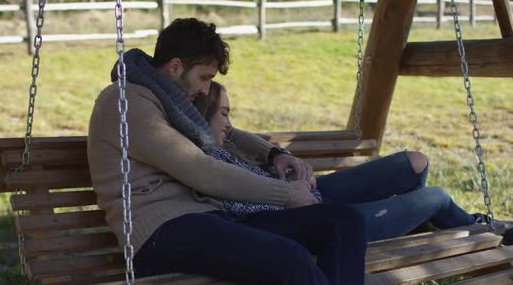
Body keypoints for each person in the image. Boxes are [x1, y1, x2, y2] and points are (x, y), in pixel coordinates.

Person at [88, 18, 367, 285]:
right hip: (162, 235)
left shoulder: (170, 97)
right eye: (204, 77)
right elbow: (200, 170)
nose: (207, 90)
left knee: (343, 220)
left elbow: (225, 134)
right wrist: (285, 194)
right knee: (290, 258)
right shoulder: (127, 100)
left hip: (209, 219)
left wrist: (272, 154)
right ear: (175, 67)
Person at [194, 80, 513, 242]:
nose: (230, 124)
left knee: (416, 162)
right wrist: (291, 192)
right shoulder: (201, 161)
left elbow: (248, 153)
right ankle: (483, 229)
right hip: (321, 223)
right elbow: (252, 208)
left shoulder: (219, 143)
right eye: (224, 114)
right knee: (438, 197)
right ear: (203, 114)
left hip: (314, 195)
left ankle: (416, 219)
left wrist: (285, 163)